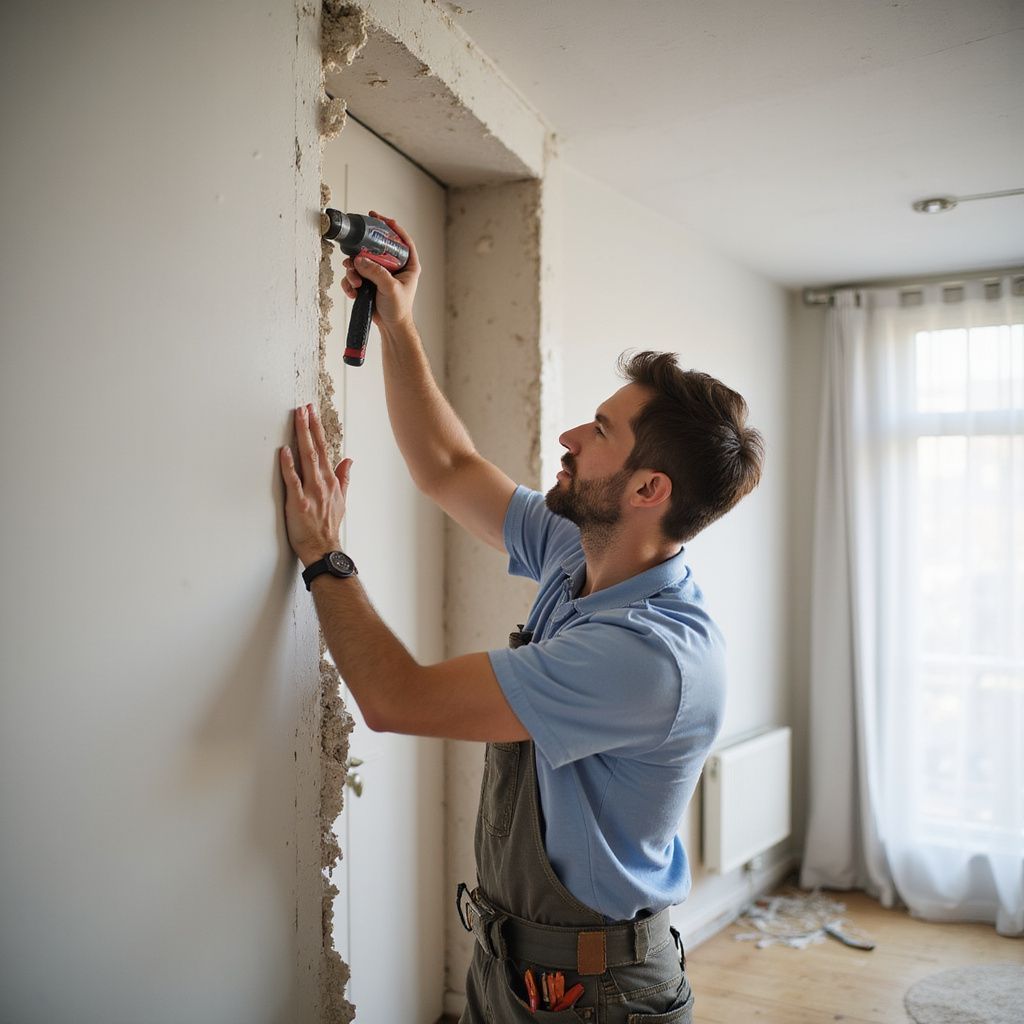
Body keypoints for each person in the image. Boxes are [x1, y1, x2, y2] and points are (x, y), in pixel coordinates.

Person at [279, 212, 764, 1023]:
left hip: (596, 997)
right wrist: (398, 320)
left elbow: (395, 699)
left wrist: (325, 555)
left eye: (601, 431)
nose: (571, 436)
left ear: (650, 492)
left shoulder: (647, 657)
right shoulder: (584, 550)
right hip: (518, 966)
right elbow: (447, 467)